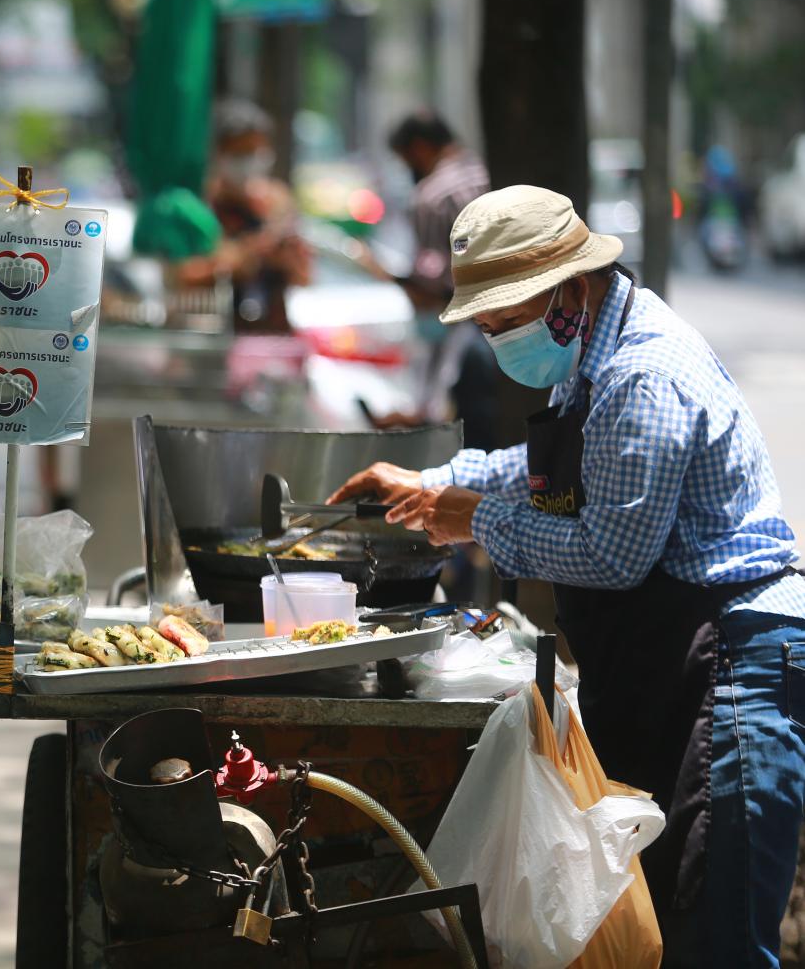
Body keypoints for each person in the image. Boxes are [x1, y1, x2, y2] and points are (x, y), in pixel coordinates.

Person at [331, 185, 805, 967]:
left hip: (732, 659)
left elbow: (611, 555)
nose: (497, 339)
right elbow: (552, 472)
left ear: (570, 293)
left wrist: (472, 518)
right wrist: (429, 483)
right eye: (486, 326)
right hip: (678, 654)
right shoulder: (592, 359)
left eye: (505, 321)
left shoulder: (644, 375)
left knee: (711, 932)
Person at [369, 110, 497, 449]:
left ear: (421, 147)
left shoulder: (433, 195)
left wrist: (390, 277)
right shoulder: (487, 174)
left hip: (464, 333)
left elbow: (433, 284)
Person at [186, 98, 311, 333]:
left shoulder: (279, 201)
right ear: (219, 153)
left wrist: (289, 260)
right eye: (240, 153)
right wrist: (239, 260)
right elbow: (183, 275)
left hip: (272, 334)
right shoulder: (202, 206)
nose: (249, 162)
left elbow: (304, 278)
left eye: (256, 152)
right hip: (216, 333)